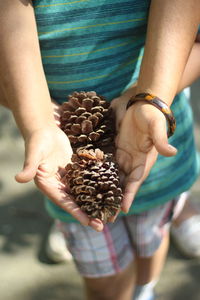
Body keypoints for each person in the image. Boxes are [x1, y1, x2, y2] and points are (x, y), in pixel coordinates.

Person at [0, 1, 200, 300]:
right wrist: (38, 123)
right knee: (104, 280)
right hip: (64, 154)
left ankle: (145, 290)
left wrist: (148, 99)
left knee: (153, 238)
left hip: (152, 146)